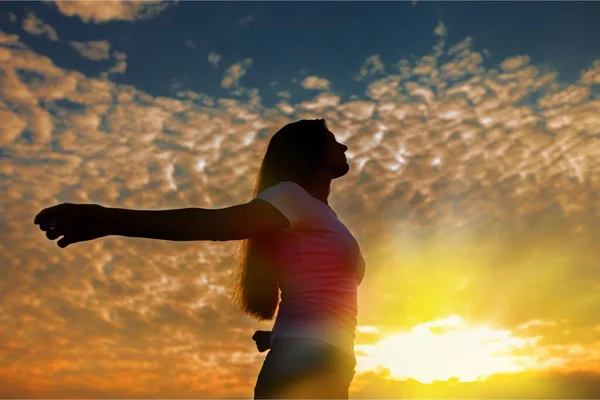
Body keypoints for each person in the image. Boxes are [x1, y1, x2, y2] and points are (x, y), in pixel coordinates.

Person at [34, 119, 366, 399]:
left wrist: (276, 335)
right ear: (309, 152)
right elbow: (213, 224)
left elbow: (319, 292)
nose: (344, 147)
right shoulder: (290, 197)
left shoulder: (319, 213)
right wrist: (104, 218)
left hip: (325, 357)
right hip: (307, 359)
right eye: (332, 140)